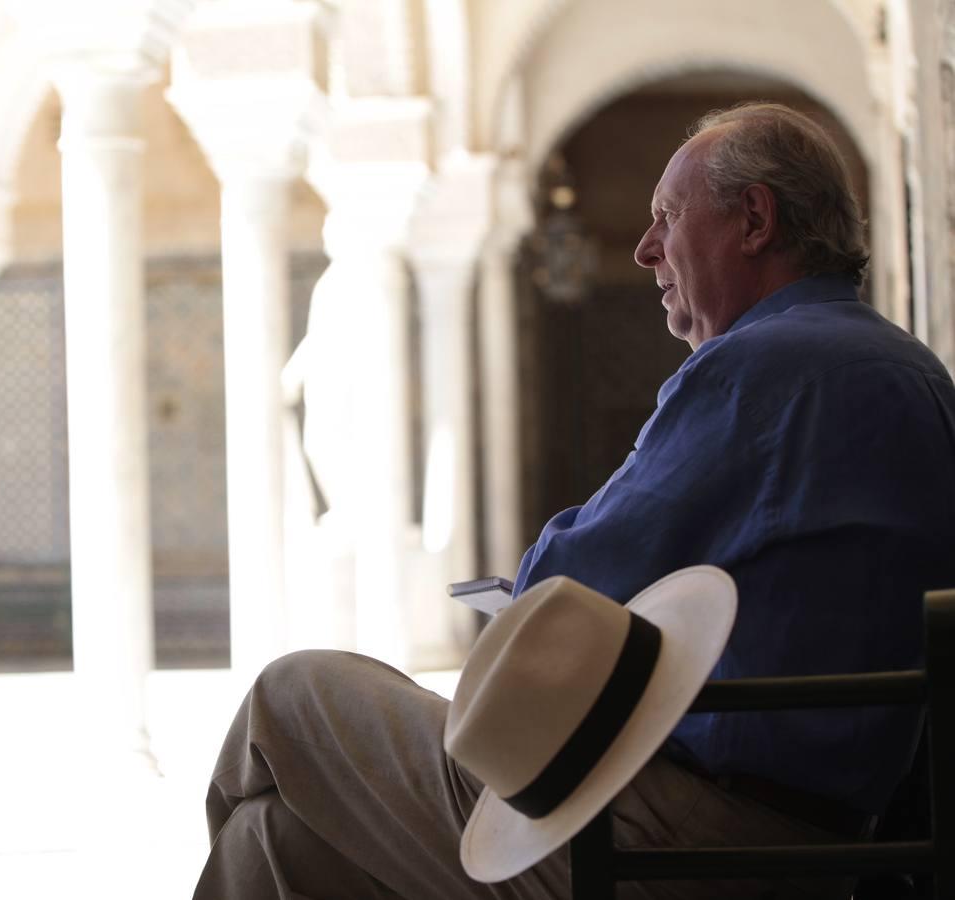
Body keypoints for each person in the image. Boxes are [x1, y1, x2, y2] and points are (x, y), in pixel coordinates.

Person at [190, 102, 955, 900]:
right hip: (831, 842)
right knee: (272, 840)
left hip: (695, 838)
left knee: (289, 695)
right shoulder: (908, 369)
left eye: (667, 216)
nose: (644, 248)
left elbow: (564, 583)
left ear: (754, 219)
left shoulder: (763, 367)